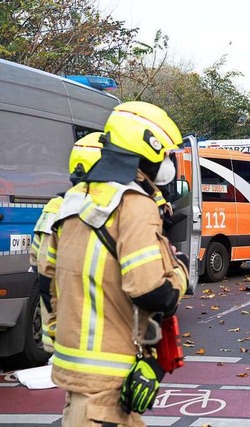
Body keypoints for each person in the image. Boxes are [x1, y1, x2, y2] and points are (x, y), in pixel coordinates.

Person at [39, 101, 189, 426]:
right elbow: (150, 292)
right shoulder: (134, 205)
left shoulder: (72, 201)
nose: (165, 163)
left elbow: (47, 281)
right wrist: (180, 273)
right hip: (108, 383)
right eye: (163, 154)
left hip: (79, 373)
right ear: (146, 150)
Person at [30, 132, 104, 353]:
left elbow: (37, 261)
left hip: (58, 331)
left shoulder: (55, 205)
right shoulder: (99, 210)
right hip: (92, 335)